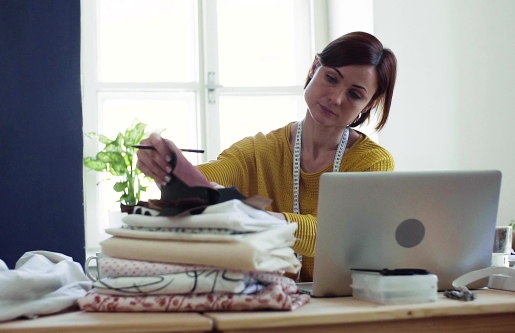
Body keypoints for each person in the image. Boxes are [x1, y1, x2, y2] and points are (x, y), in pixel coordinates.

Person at [136, 31, 397, 282]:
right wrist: (168, 167)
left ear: (369, 105)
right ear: (314, 68)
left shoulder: (372, 164)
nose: (336, 97)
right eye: (331, 78)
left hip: (345, 306)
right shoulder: (260, 150)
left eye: (354, 94)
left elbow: (341, 233)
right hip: (268, 300)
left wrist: (264, 220)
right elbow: (209, 177)